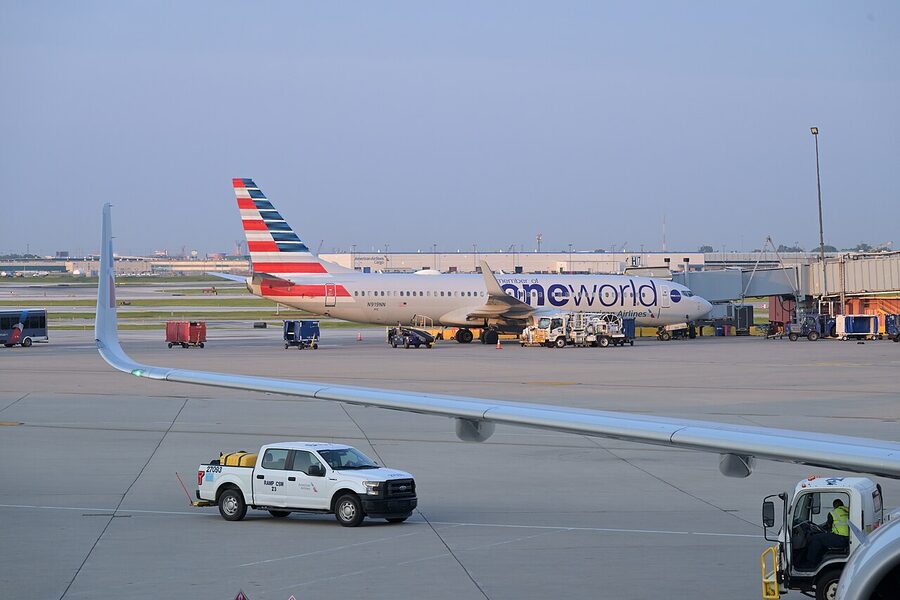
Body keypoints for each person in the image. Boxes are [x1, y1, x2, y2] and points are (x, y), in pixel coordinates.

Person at [803, 499, 850, 569]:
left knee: (816, 538)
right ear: (842, 504)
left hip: (840, 539)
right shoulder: (848, 510)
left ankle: (810, 563)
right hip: (849, 539)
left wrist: (819, 529)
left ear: (834, 506)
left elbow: (828, 526)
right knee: (823, 538)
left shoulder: (833, 513)